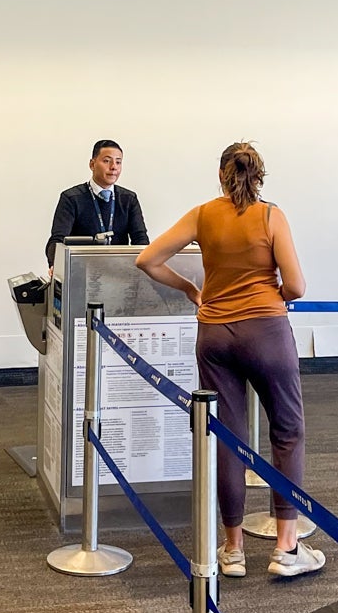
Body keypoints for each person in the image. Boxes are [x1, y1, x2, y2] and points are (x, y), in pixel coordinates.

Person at [135, 142, 323, 578]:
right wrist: (271, 295)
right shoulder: (271, 216)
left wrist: (190, 289)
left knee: (227, 438)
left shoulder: (203, 215)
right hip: (267, 333)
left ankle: (233, 549)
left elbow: (148, 259)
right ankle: (286, 548)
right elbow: (296, 287)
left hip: (215, 335)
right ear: (259, 175)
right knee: (287, 432)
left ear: (221, 174)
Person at [46, 139, 149, 268]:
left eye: (118, 162)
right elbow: (58, 240)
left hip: (119, 271)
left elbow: (140, 239)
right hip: (81, 271)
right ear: (92, 164)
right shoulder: (71, 198)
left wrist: (146, 265)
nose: (113, 167)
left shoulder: (128, 199)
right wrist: (55, 265)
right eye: (107, 161)